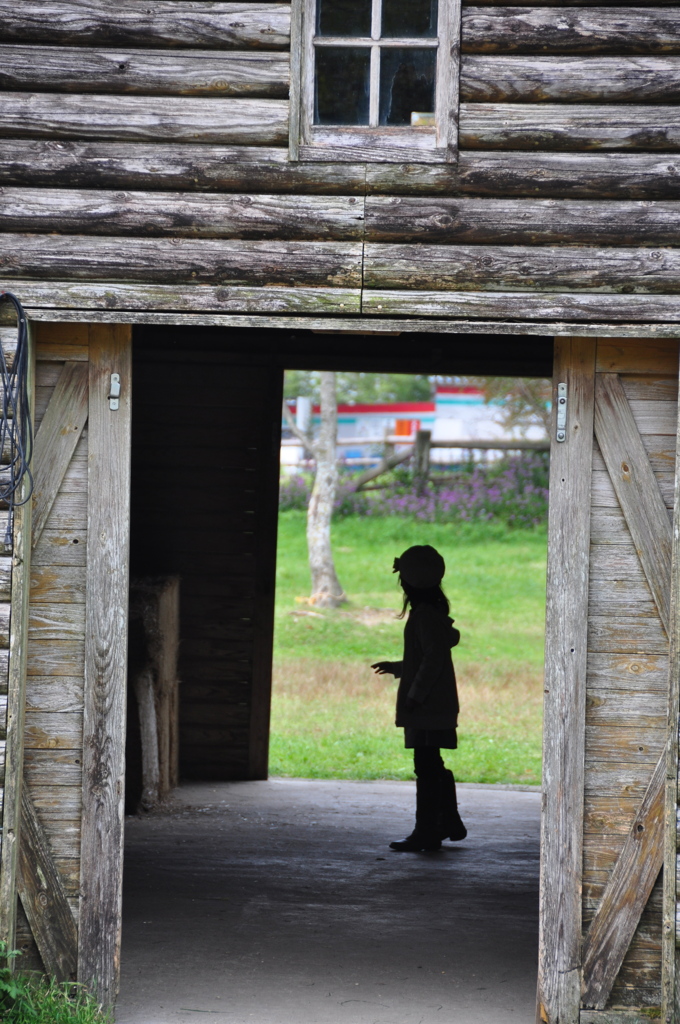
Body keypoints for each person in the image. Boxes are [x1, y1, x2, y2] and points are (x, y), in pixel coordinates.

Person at [372, 544, 467, 852]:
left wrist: (414, 696)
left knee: (425, 767)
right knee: (432, 764)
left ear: (409, 582)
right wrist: (401, 668)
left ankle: (427, 830)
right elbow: (429, 657)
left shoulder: (424, 618)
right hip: (435, 704)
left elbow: (432, 661)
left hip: (427, 707)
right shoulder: (433, 616)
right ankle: (447, 821)